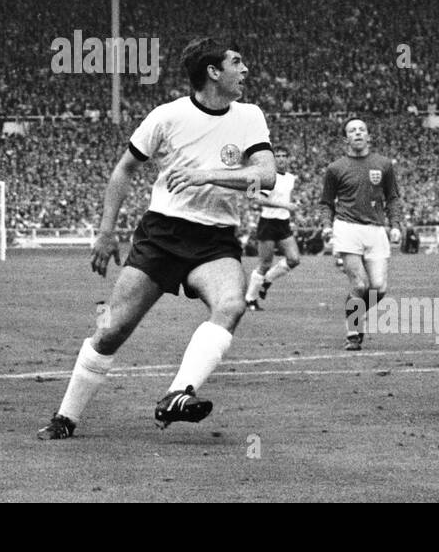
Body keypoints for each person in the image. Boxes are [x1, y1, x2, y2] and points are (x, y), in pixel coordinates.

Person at [37, 37, 275, 440]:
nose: (246, 70)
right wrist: (106, 231)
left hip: (216, 238)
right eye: (237, 62)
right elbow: (124, 169)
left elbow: (266, 178)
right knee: (112, 330)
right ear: (213, 72)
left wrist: (207, 174)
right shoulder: (167, 116)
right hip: (162, 234)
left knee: (232, 304)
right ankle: (66, 418)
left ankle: (178, 395)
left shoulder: (250, 115)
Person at [319, 118, 401, 351]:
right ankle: (353, 332)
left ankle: (356, 313)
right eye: (352, 130)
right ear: (346, 138)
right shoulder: (335, 168)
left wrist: (395, 224)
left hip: (376, 230)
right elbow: (326, 202)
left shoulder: (384, 165)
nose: (357, 133)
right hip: (347, 228)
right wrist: (327, 225)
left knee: (379, 287)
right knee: (360, 283)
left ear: (368, 136)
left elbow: (393, 197)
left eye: (361, 129)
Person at [244, 147, 302, 310]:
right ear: (273, 159)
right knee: (264, 263)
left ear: (289, 159)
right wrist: (285, 205)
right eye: (278, 156)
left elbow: (288, 199)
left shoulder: (291, 178)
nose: (281, 159)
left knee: (294, 259)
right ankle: (250, 299)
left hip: (283, 223)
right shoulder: (267, 176)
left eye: (284, 155)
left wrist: (294, 208)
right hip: (268, 222)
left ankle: (267, 280)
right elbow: (257, 199)